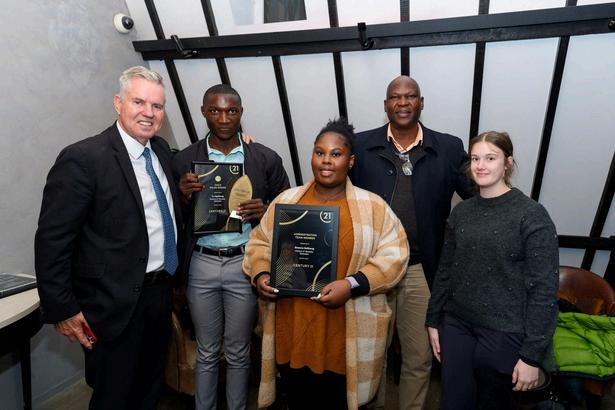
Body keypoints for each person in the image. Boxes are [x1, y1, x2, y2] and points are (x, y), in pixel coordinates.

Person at [35, 66, 181, 409]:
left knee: (150, 389)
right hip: (112, 304)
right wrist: (63, 308)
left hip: (159, 295)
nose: (148, 112)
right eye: (139, 102)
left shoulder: (161, 151)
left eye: (157, 106)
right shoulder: (83, 158)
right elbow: (53, 240)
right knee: (114, 397)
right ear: (118, 103)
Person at [243, 118, 410, 410]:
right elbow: (258, 243)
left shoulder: (373, 207)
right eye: (319, 152)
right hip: (292, 328)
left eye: (336, 154)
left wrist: (352, 284)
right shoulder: (287, 200)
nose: (326, 161)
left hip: (345, 336)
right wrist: (261, 274)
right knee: (296, 400)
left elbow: (395, 255)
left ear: (350, 161)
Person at [349, 75, 473, 409]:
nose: (402, 103)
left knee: (419, 358)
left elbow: (477, 192)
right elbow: (329, 179)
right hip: (372, 270)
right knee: (371, 356)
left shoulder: (448, 147)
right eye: (395, 97)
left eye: (410, 96)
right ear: (386, 104)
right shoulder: (359, 145)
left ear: (421, 103)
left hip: (421, 270)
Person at [172, 84, 290, 410]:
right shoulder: (183, 160)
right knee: (207, 350)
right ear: (203, 112)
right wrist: (183, 197)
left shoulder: (264, 158)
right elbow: (168, 217)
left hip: (244, 263)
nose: (224, 119)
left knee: (238, 351)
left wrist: (265, 210)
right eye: (215, 111)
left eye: (231, 111)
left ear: (241, 113)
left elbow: (288, 210)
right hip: (201, 264)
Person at [425, 131, 559, 410]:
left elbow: (544, 290)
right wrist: (433, 320)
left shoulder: (531, 215)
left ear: (507, 163)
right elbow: (446, 270)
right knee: (454, 403)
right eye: (475, 158)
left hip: (505, 331)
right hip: (457, 325)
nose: (480, 165)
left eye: (490, 158)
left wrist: (532, 356)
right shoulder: (461, 213)